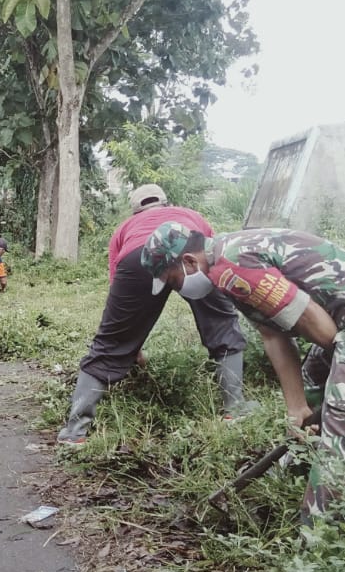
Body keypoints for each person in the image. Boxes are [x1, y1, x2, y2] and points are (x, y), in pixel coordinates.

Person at [140, 221, 345, 518]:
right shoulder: (224, 261)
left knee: (343, 421)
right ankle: (303, 470)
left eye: (173, 281)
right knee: (313, 388)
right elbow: (273, 335)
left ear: (189, 261)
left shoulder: (232, 268)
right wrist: (297, 407)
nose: (178, 290)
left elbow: (320, 328)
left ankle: (325, 534)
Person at [56, 184, 249, 445]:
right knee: (222, 325)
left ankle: (74, 432)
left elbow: (119, 292)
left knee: (109, 344)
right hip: (191, 254)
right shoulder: (191, 215)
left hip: (137, 257)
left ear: (135, 212)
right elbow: (211, 253)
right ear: (167, 204)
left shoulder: (125, 228)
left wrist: (128, 342)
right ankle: (235, 410)